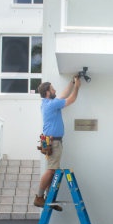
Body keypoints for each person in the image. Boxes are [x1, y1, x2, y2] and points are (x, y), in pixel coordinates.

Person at [34, 75, 81, 211]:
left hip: (52, 142)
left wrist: (72, 82)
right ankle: (39, 197)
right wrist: (77, 87)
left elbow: (63, 95)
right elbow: (71, 99)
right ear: (48, 93)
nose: (55, 91)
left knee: (53, 171)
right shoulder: (52, 104)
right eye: (53, 89)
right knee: (51, 170)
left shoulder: (48, 103)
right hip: (53, 142)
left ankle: (49, 198)